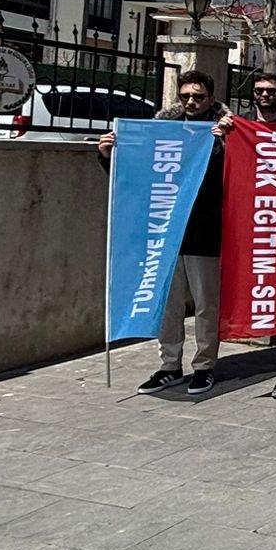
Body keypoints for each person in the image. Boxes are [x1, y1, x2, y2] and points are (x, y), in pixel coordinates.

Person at [98, 70, 228, 396]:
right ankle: (170, 364)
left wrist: (224, 143)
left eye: (198, 96)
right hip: (164, 232)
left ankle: (205, 366)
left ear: (210, 99)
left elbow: (239, 175)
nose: (191, 102)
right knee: (167, 303)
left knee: (205, 304)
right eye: (185, 96)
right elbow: (135, 175)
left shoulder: (226, 132)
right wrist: (109, 154)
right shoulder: (162, 131)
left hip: (205, 231)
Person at [213, 76, 276, 400]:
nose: (264, 95)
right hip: (255, 225)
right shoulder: (234, 130)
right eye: (259, 91)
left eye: (271, 91)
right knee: (268, 293)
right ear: (252, 94)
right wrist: (220, 139)